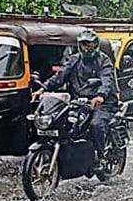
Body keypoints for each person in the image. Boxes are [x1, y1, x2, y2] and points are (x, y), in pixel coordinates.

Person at [31, 29, 117, 170]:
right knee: (65, 124)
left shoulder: (103, 60)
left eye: (88, 44)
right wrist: (43, 89)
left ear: (95, 45)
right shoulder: (74, 59)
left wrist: (100, 95)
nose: (86, 48)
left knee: (96, 125)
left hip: (103, 102)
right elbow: (59, 76)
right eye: (83, 44)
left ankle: (101, 157)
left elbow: (107, 79)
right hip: (79, 100)